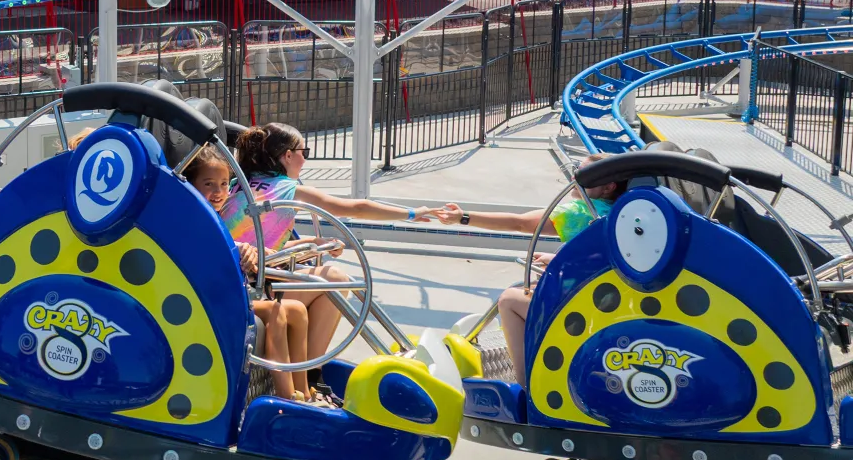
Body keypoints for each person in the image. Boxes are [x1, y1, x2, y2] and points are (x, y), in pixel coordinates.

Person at [219, 122, 435, 393]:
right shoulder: (287, 189)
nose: (304, 159)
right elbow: (354, 207)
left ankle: (309, 374)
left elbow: (260, 242)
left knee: (327, 278)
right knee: (335, 279)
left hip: (241, 275)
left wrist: (313, 243)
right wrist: (412, 214)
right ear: (287, 155)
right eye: (303, 151)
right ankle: (311, 373)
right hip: (255, 283)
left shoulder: (238, 184)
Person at [434, 153, 620, 385]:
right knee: (528, 286)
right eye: (576, 171)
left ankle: (527, 385)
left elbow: (520, 223)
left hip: (589, 309)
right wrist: (557, 258)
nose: (575, 178)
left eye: (584, 175)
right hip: (611, 300)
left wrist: (463, 218)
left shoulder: (581, 213)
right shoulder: (623, 212)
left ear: (608, 187)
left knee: (510, 299)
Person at [187, 146, 314, 402]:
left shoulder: (217, 215)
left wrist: (248, 251)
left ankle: (305, 392)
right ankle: (287, 397)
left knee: (297, 310)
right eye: (209, 184)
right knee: (275, 310)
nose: (218, 192)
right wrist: (239, 250)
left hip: (228, 293)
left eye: (224, 184)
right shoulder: (194, 217)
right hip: (206, 299)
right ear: (191, 184)